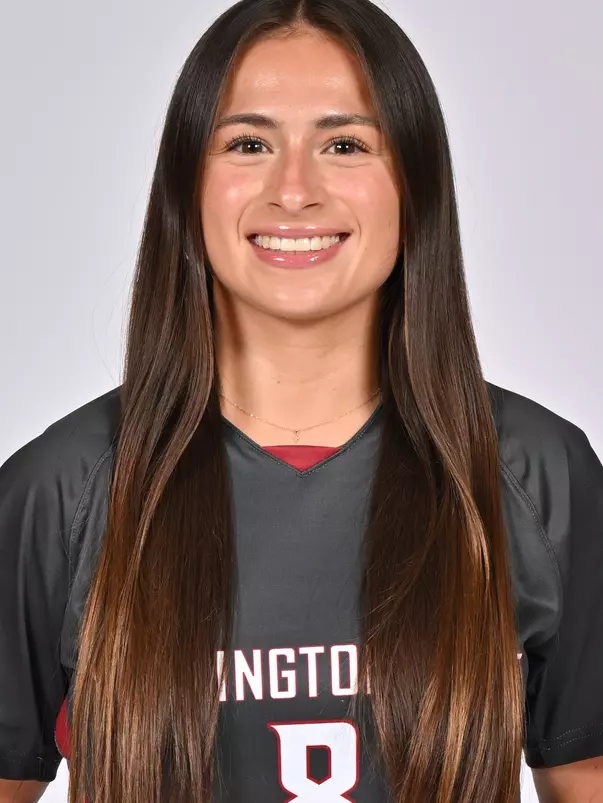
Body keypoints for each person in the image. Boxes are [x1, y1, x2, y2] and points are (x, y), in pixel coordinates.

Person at [1, 0, 602, 801]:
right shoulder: (62, 490)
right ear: (187, 186)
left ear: (413, 186)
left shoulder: (532, 474)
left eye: (345, 144)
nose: (294, 190)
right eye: (248, 143)